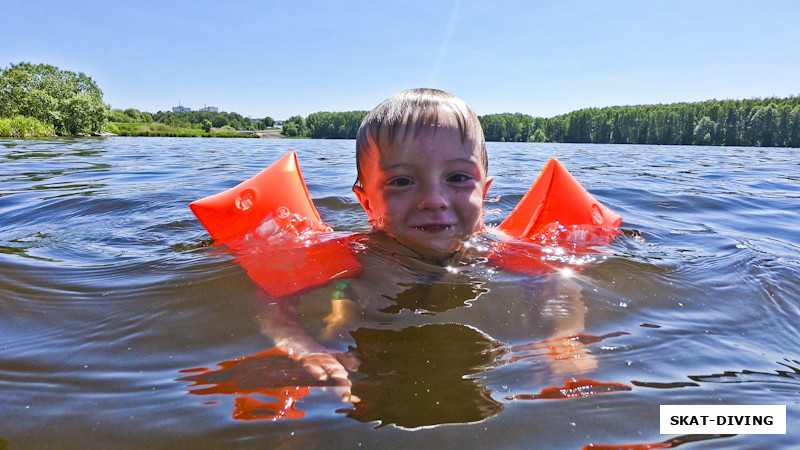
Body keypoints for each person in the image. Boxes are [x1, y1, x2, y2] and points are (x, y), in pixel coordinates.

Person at [255, 89, 589, 405]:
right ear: (367, 202)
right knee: (340, 324)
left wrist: (563, 337)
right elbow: (274, 295)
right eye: (401, 181)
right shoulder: (355, 252)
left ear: (484, 192)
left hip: (470, 362)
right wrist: (302, 346)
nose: (434, 200)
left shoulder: (496, 249)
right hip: (369, 345)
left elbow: (555, 283)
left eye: (458, 178)